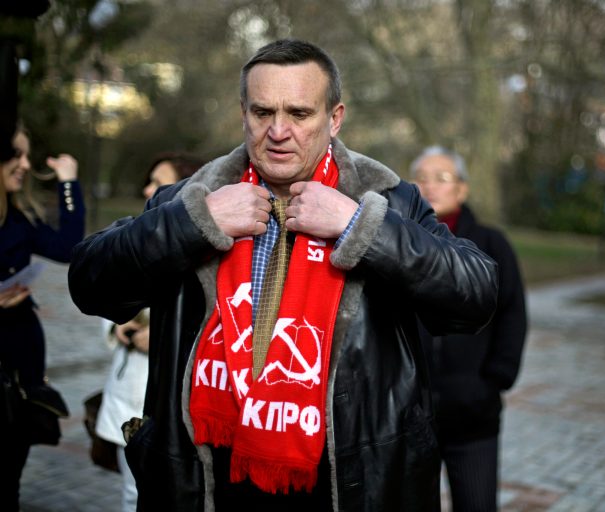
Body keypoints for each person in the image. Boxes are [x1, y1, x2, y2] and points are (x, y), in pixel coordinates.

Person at [67, 39, 498, 511]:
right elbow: (91, 284)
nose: (278, 131)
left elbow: (475, 295)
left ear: (334, 119)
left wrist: (360, 228)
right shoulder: (190, 200)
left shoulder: (387, 201)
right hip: (208, 480)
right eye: (262, 112)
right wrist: (193, 224)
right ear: (243, 113)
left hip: (345, 483)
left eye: (298, 113)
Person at [411, 146, 527, 512]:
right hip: (409, 415)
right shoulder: (397, 242)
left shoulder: (491, 244)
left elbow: (513, 313)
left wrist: (496, 377)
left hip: (472, 412)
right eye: (421, 178)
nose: (430, 186)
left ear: (462, 189)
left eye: (442, 178)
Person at [95, 152, 204, 512]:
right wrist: (119, 323)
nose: (147, 188)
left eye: (158, 182)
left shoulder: (197, 245)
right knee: (129, 492)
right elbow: (106, 296)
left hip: (160, 405)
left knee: (142, 494)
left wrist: (153, 338)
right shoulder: (139, 236)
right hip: (122, 392)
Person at [0, 126, 84, 511]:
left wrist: (68, 184)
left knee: (10, 482)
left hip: (21, 379)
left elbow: (68, 247)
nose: (26, 165)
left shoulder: (18, 220)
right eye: (16, 155)